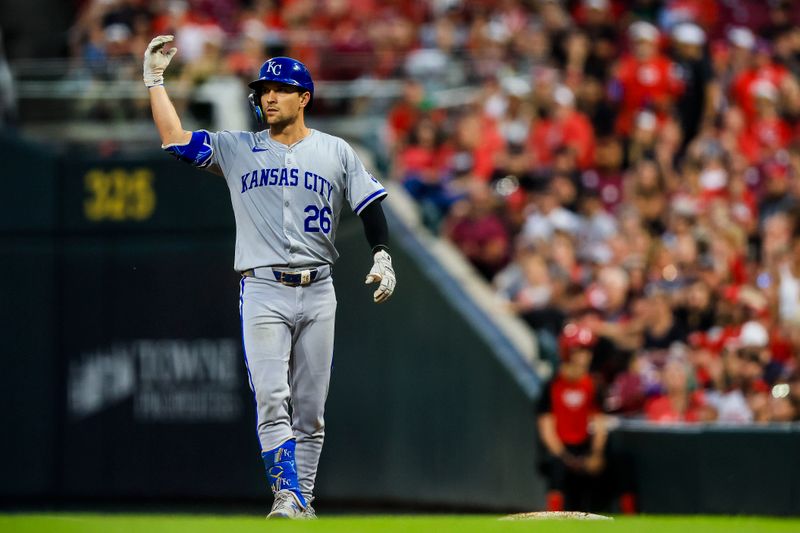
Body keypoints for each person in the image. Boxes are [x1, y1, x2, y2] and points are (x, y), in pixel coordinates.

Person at [143, 35, 397, 519]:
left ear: (304, 98)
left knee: (311, 410)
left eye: (280, 89)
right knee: (272, 397)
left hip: (320, 288)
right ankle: (288, 496)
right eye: (264, 90)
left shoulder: (336, 151)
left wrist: (382, 255)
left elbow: (370, 206)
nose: (269, 97)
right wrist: (155, 82)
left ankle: (303, 503)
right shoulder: (238, 149)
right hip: (262, 288)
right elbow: (175, 141)